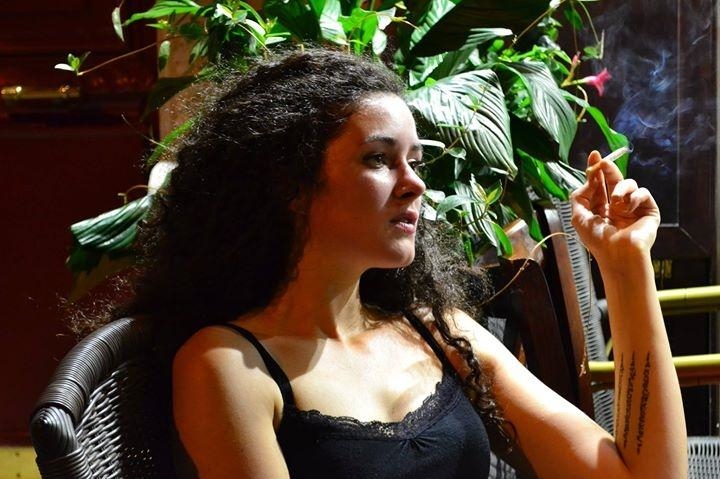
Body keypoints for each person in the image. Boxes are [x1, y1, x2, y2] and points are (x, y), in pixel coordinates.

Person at [121, 48, 687, 478]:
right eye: (378, 159)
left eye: (415, 161)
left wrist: (625, 266)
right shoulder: (227, 365)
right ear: (289, 185)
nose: (415, 184)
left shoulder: (435, 332)